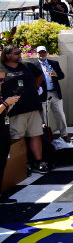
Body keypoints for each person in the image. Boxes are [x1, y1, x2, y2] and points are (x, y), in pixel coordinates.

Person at [0, 45, 48, 174]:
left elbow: (40, 75)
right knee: (17, 137)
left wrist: (36, 88)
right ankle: (22, 163)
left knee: (35, 134)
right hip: (14, 110)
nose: (20, 55)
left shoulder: (26, 65)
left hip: (32, 106)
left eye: (20, 52)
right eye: (16, 53)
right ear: (7, 55)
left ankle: (38, 162)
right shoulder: (1, 68)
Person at [33, 46, 69, 141]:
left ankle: (64, 134)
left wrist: (56, 74)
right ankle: (46, 136)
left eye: (43, 52)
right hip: (43, 94)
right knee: (44, 116)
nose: (42, 54)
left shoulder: (54, 63)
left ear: (46, 52)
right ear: (37, 54)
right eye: (40, 52)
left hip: (55, 93)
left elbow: (61, 76)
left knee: (60, 114)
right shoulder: (34, 65)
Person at [0, 72, 20, 203]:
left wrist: (10, 105)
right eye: (0, 79)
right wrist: (7, 103)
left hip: (3, 130)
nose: (2, 81)